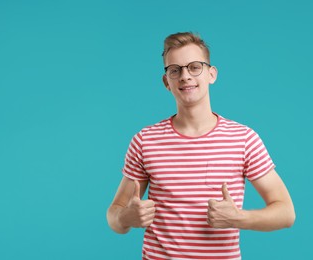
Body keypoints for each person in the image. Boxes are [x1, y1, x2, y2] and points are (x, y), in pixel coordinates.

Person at [107, 32, 295, 260]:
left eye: (194, 67)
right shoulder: (145, 140)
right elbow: (114, 215)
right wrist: (127, 217)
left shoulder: (244, 138)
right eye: (175, 70)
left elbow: (286, 212)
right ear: (167, 81)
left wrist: (239, 218)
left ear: (211, 74)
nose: (185, 76)